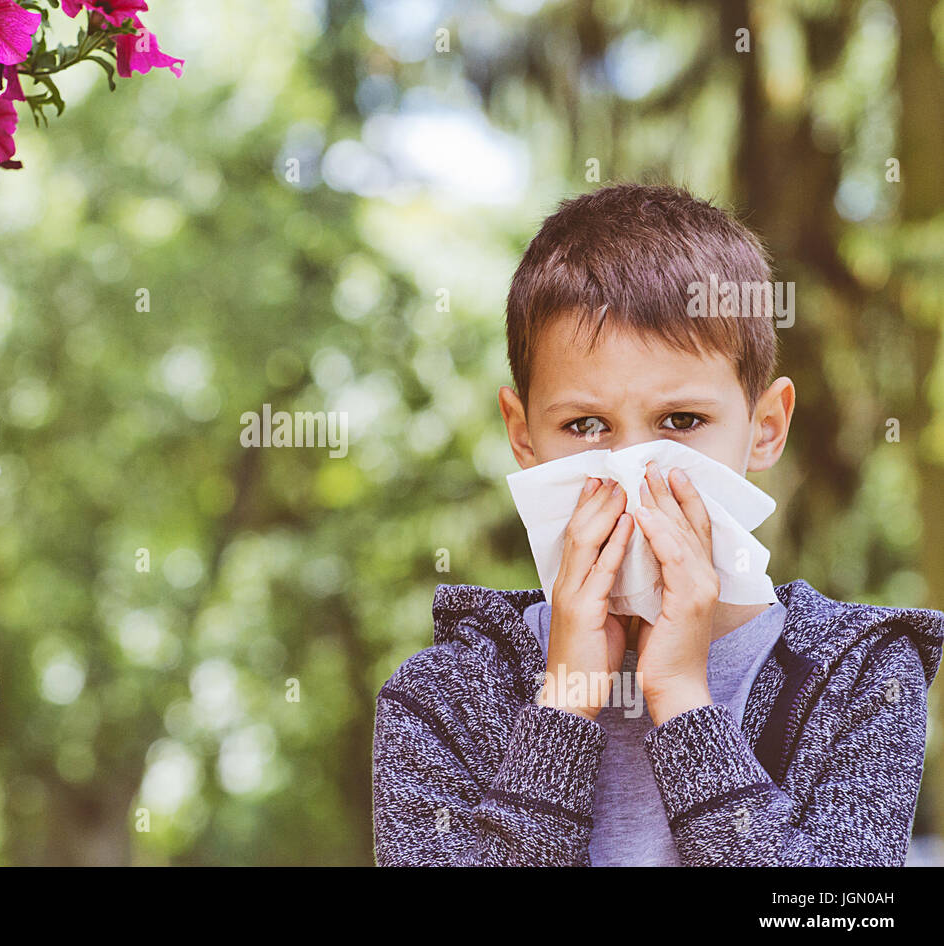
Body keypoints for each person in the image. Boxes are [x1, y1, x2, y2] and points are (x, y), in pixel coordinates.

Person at [371, 183, 944, 866]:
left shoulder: (862, 682)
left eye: (681, 422)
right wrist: (566, 707)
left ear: (765, 429)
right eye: (586, 426)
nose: (633, 469)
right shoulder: (441, 701)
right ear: (523, 437)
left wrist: (683, 702)